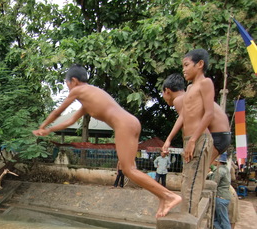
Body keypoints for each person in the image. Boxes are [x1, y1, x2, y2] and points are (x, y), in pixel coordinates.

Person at [33, 64, 181, 217]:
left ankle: (169, 196)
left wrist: (42, 126)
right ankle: (164, 197)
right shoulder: (89, 98)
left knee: (128, 170)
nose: (69, 88)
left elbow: (58, 111)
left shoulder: (78, 90)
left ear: (74, 81)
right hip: (131, 122)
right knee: (130, 168)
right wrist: (50, 130)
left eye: (68, 84)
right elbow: (70, 121)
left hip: (123, 125)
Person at [161, 50, 216, 216]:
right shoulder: (191, 88)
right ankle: (187, 219)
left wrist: (193, 140)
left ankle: (189, 223)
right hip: (189, 139)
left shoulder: (205, 83)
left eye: (186, 65)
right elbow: (184, 116)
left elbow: (209, 114)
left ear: (199, 64)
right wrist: (168, 139)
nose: (184, 70)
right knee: (186, 183)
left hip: (199, 139)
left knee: (192, 185)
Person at [161, 73, 231, 164]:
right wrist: (168, 140)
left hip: (215, 136)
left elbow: (185, 125)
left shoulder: (179, 100)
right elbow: (182, 118)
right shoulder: (189, 97)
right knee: (199, 171)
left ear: (167, 91)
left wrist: (190, 143)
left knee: (194, 169)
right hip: (223, 136)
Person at [208, 152, 233, 229]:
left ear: (218, 161)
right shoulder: (225, 169)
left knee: (215, 220)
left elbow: (213, 184)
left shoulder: (219, 171)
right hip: (225, 197)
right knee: (224, 219)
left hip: (220, 197)